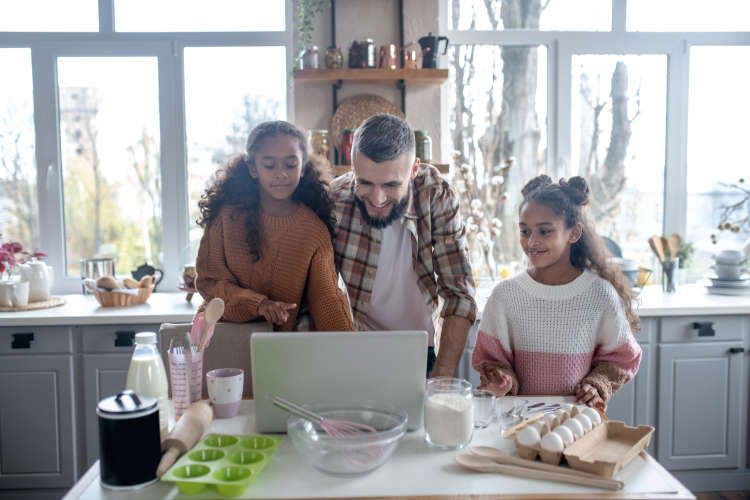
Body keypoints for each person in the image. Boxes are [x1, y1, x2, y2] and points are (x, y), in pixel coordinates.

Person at [471, 175, 641, 409]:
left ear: (573, 233)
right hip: (517, 420)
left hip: (577, 421)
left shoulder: (600, 295)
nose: (531, 241)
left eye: (544, 231)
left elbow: (622, 358)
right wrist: (502, 380)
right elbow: (492, 360)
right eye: (524, 231)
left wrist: (597, 384)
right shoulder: (505, 295)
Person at [330, 114, 477, 377]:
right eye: (364, 182)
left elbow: (459, 293)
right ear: (353, 169)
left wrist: (442, 379)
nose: (377, 198)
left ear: (413, 170)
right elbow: (318, 291)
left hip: (421, 348)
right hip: (358, 346)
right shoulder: (335, 201)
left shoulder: (436, 194)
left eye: (391, 184)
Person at [195, 120, 354, 332]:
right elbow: (209, 282)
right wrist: (258, 304)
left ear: (303, 168)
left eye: (290, 165)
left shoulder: (314, 231)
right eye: (269, 165)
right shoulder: (226, 217)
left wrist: (352, 349)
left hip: (276, 347)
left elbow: (326, 299)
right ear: (253, 168)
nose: (281, 173)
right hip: (219, 337)